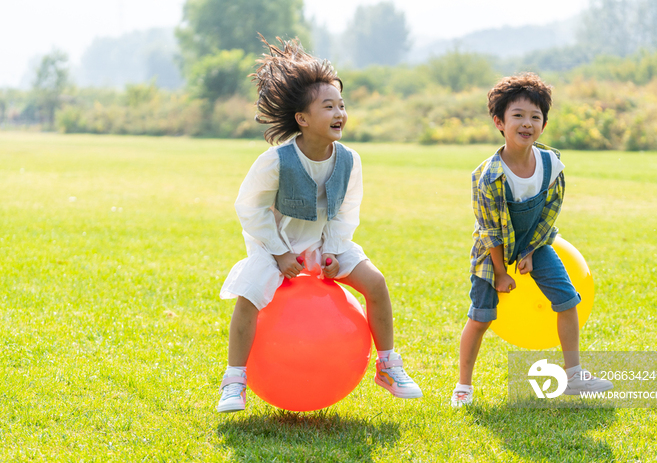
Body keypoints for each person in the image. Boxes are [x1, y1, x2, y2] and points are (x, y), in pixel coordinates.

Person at [217, 37, 423, 413]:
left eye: (341, 105)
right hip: (276, 246)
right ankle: (235, 380)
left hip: (328, 244)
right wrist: (278, 253)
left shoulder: (349, 160)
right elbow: (249, 207)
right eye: (328, 106)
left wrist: (332, 250)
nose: (339, 112)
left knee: (375, 283)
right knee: (248, 296)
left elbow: (346, 210)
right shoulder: (276, 160)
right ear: (303, 118)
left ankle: (388, 365)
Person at [451, 73, 613, 407]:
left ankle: (574, 377)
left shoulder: (551, 164)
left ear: (544, 123)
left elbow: (550, 213)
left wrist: (531, 249)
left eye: (535, 117)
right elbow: (489, 230)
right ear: (499, 121)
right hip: (492, 251)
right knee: (481, 317)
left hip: (535, 243)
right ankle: (463, 387)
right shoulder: (488, 176)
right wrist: (500, 272)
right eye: (518, 116)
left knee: (569, 300)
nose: (527, 123)